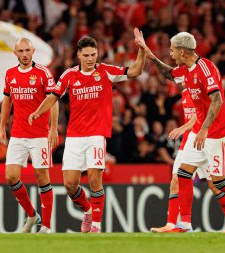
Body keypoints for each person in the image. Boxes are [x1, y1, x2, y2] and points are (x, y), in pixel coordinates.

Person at [135, 30, 225, 232]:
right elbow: (169, 73)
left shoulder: (206, 68)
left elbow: (218, 100)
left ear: (184, 52)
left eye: (173, 50)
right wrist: (150, 56)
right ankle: (184, 223)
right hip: (199, 132)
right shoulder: (185, 69)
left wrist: (203, 130)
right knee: (183, 172)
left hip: (216, 134)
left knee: (219, 183)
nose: (170, 53)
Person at [28, 30, 145, 233]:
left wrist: (142, 49)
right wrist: (38, 112)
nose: (90, 59)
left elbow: (135, 71)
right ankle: (88, 210)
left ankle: (96, 227)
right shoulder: (69, 75)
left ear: (97, 54)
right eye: (86, 55)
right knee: (70, 184)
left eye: (93, 54)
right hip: (74, 136)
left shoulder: (106, 71)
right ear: (79, 55)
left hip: (96, 135)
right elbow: (53, 96)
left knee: (93, 178)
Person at [150, 88, 225, 233]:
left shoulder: (202, 91)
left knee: (215, 185)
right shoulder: (186, 92)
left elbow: (201, 117)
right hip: (188, 143)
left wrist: (182, 128)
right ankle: (172, 224)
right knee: (176, 180)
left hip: (207, 141)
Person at [0, 38, 59, 234]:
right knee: (11, 177)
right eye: (21, 51)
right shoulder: (10, 74)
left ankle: (47, 226)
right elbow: (7, 101)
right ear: (15, 53)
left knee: (42, 177)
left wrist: (53, 128)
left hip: (40, 134)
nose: (24, 54)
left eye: (27, 50)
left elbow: (54, 100)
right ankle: (32, 215)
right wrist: (2, 127)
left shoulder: (42, 73)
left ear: (33, 51)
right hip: (18, 133)